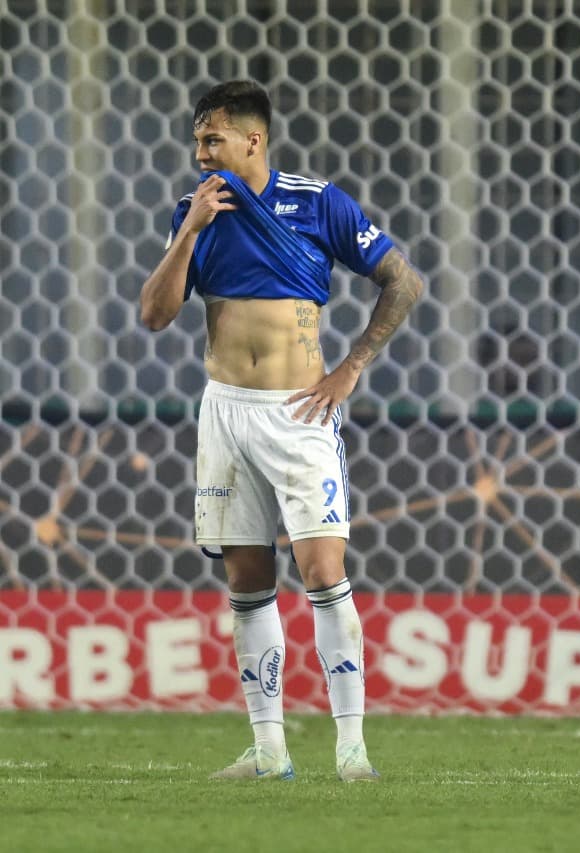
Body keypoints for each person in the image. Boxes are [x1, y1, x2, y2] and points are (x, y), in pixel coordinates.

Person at [140, 80, 424, 782]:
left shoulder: (318, 202)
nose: (200, 153)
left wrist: (352, 365)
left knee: (324, 571)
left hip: (300, 414)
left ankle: (352, 750)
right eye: (198, 140)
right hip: (226, 412)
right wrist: (189, 231)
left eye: (213, 139)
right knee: (247, 578)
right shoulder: (197, 212)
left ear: (252, 139)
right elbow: (153, 315)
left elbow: (403, 281)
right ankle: (269, 752)